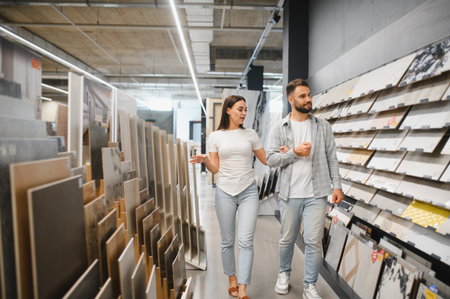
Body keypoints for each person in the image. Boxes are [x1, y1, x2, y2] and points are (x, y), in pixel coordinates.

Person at [266, 78, 343, 299]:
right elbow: (270, 159)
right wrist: (293, 153)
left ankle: (309, 285)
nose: (308, 99)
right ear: (291, 100)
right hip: (289, 194)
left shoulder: (322, 126)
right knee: (287, 238)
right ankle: (284, 274)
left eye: (309, 95)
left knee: (313, 240)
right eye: (303, 96)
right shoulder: (279, 127)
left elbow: (332, 158)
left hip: (316, 193)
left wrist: (336, 186)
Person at [190, 95, 267, 299]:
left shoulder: (250, 134)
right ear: (228, 110)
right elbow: (215, 169)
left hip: (248, 190)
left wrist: (283, 152)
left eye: (245, 110)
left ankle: (242, 286)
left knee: (246, 241)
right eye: (240, 109)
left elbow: (266, 159)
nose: (244, 113)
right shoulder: (216, 136)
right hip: (224, 192)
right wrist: (206, 161)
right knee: (227, 241)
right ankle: (231, 277)